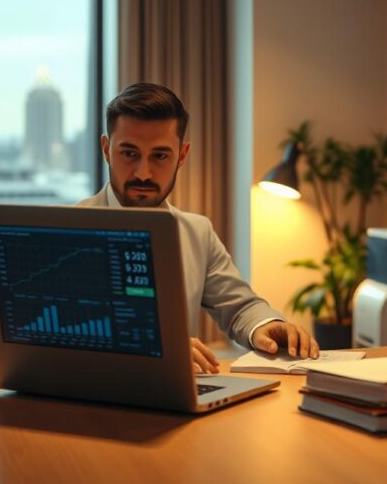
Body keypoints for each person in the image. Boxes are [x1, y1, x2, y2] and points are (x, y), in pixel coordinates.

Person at [78, 82, 319, 373]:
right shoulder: (63, 229)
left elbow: (240, 307)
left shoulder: (198, 232)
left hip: (176, 395)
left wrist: (266, 325)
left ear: (182, 155)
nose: (143, 173)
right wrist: (150, 348)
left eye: (160, 156)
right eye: (129, 154)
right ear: (106, 149)